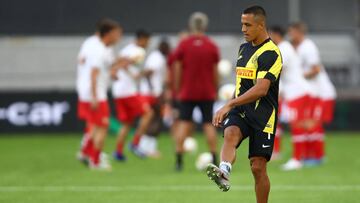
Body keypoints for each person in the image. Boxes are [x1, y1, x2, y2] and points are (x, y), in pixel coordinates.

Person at [206, 6, 282, 203]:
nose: (243, 29)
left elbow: (261, 89)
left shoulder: (271, 53)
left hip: (263, 114)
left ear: (261, 25)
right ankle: (224, 171)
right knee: (230, 134)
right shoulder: (244, 48)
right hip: (240, 110)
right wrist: (230, 103)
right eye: (242, 24)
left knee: (258, 167)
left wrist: (228, 104)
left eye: (248, 25)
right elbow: (241, 83)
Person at [172, 12, 220, 171]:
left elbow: (177, 67)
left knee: (184, 123)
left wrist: (178, 87)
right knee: (208, 124)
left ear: (191, 26)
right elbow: (215, 70)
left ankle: (179, 161)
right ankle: (215, 158)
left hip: (188, 91)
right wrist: (216, 88)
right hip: (207, 91)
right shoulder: (211, 45)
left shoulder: (184, 44)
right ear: (205, 26)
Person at [288, 22, 336, 167]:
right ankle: (310, 156)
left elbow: (316, 69)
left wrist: (300, 76)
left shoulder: (308, 47)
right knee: (307, 123)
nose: (290, 36)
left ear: (298, 32)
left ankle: (318, 157)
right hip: (312, 92)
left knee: (313, 123)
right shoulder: (301, 48)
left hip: (322, 92)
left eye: (291, 32)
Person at [76, 18, 122, 170]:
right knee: (102, 126)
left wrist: (113, 71)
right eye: (117, 34)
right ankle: (95, 161)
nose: (118, 37)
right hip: (95, 94)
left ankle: (85, 153)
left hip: (86, 92)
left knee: (95, 126)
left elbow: (94, 66)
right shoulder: (99, 50)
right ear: (108, 34)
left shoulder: (92, 44)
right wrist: (95, 96)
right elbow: (94, 74)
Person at [269, 26, 313, 170]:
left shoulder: (283, 48)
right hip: (297, 91)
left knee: (297, 125)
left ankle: (297, 159)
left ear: (276, 35)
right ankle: (303, 157)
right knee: (301, 125)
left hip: (297, 92)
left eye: (270, 35)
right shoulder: (286, 47)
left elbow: (277, 69)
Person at [111, 29, 153, 161]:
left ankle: (118, 152)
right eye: (147, 40)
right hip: (127, 91)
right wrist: (129, 73)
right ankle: (135, 143)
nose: (148, 43)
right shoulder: (136, 51)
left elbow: (118, 61)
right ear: (142, 39)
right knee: (148, 113)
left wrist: (115, 69)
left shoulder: (127, 49)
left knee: (127, 123)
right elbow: (123, 63)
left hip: (120, 91)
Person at [137, 39, 171, 158]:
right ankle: (146, 147)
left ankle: (146, 147)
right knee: (156, 119)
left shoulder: (157, 57)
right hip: (152, 94)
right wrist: (153, 90)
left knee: (155, 119)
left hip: (152, 93)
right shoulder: (157, 58)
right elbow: (147, 73)